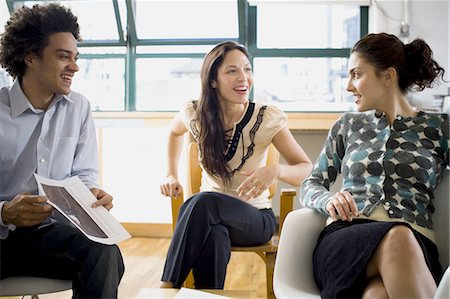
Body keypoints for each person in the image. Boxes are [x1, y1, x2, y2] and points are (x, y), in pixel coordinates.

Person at [300, 32, 448, 299]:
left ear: (388, 76)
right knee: (398, 237)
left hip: (417, 244)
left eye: (356, 74)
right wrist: (329, 199)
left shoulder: (438, 128)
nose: (348, 86)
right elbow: (311, 184)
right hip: (347, 237)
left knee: (376, 296)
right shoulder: (347, 125)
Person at [159, 41, 313, 289]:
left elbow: (306, 168)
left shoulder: (266, 117)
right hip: (209, 218)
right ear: (213, 80)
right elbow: (174, 132)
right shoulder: (195, 113)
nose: (244, 78)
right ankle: (208, 295)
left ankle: (167, 288)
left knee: (202, 201)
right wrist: (170, 174)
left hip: (255, 220)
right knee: (214, 236)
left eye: (247, 69)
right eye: (232, 71)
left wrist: (276, 171)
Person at [0, 3, 124, 298]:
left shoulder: (78, 107)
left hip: (46, 236)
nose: (75, 66)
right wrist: (4, 212)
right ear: (30, 57)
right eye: (63, 56)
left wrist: (90, 194)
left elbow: (83, 173)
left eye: (76, 57)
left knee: (105, 253)